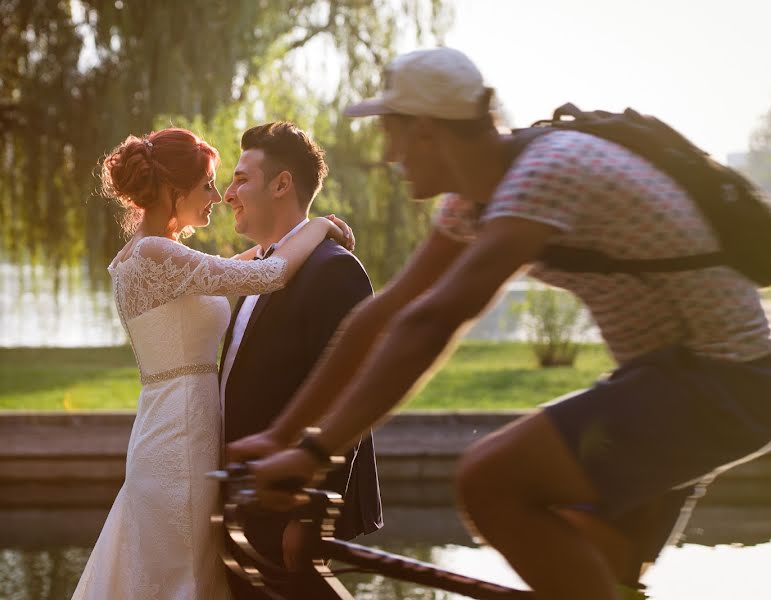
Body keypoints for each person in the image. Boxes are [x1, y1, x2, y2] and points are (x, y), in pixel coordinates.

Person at [228, 47, 771, 600]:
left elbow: (434, 321)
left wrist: (318, 452)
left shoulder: (544, 175)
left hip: (727, 380)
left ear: (425, 131)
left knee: (489, 480)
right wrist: (282, 435)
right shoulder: (475, 199)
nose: (390, 155)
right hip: (666, 382)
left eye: (391, 134)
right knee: (596, 571)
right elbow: (384, 313)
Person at [71, 126, 355, 600]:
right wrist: (319, 228)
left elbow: (246, 264)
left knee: (185, 567)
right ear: (171, 189)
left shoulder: (149, 255)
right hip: (181, 435)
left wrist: (287, 241)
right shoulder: (156, 253)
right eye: (206, 184)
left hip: (173, 424)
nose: (216, 196)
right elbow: (268, 273)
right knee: (182, 571)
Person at [220, 121, 383, 599]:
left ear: (282, 184)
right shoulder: (258, 270)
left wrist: (312, 512)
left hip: (290, 503)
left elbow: (349, 392)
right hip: (245, 500)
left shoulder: (333, 270)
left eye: (240, 179)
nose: (228, 193)